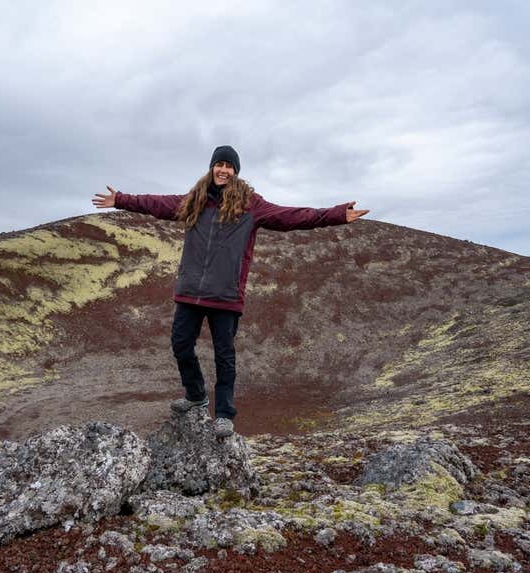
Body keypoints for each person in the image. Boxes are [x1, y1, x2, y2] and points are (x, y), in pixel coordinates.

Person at [92, 145, 368, 438]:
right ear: (212, 167)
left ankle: (224, 414)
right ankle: (196, 395)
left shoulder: (252, 205)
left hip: (225, 295)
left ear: (235, 171)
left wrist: (336, 214)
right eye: (219, 164)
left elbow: (293, 217)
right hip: (191, 292)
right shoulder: (193, 201)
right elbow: (156, 203)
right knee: (180, 344)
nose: (223, 170)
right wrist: (120, 199)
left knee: (225, 356)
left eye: (229, 166)